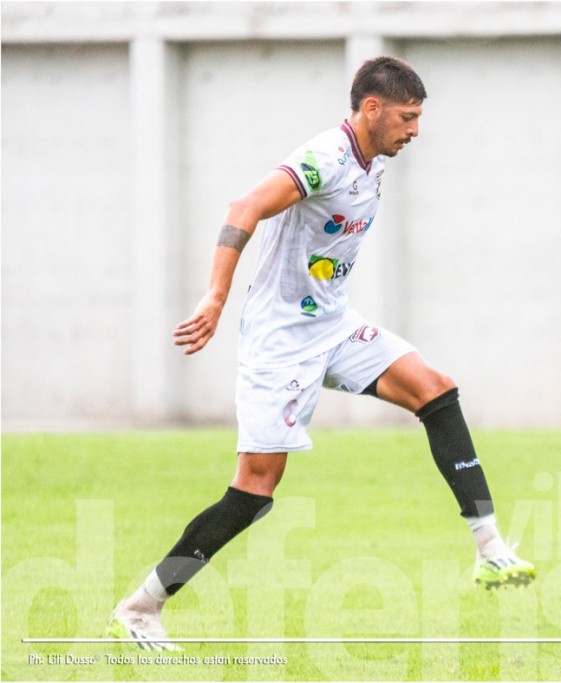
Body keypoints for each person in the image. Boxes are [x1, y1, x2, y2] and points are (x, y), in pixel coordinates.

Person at [107, 56, 534, 651]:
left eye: (419, 118)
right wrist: (216, 296)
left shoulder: (372, 160)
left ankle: (489, 548)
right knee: (254, 493)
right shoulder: (324, 159)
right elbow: (243, 208)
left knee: (435, 389)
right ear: (371, 109)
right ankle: (140, 607)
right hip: (280, 342)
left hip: (332, 325)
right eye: (407, 118)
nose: (416, 130)